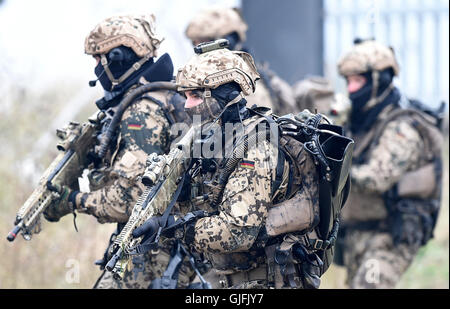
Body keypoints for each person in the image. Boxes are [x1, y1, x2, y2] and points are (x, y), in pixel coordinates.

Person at [132, 41, 353, 289]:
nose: (186, 105)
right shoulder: (217, 142)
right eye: (185, 96)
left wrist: (172, 228)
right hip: (231, 280)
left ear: (219, 96)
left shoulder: (255, 149)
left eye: (194, 95)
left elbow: (236, 232)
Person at [42, 14, 194, 289]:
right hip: (170, 247)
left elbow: (129, 199)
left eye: (99, 59)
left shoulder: (141, 111)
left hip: (156, 256)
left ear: (117, 59)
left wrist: (73, 199)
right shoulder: (167, 96)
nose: (97, 68)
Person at [335, 39, 443, 288]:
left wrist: (331, 167)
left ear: (378, 81)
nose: (351, 89)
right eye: (348, 81)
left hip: (390, 236)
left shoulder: (401, 128)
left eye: (358, 81)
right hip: (356, 235)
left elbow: (376, 178)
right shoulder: (360, 123)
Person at [185, 7, 296, 116]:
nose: (199, 49)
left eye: (205, 42)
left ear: (227, 41)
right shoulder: (200, 79)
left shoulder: (247, 85)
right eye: (195, 43)